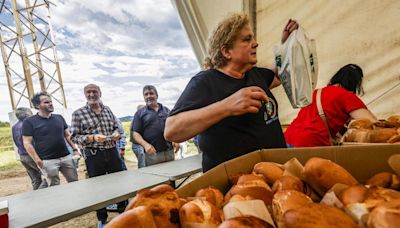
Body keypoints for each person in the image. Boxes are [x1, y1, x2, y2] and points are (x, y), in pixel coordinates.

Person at [164, 13, 298, 172]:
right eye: (247, 39)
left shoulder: (255, 74)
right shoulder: (206, 82)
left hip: (274, 174)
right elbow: (171, 131)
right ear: (227, 51)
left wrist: (285, 44)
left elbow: (280, 74)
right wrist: (227, 106)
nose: (256, 43)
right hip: (235, 185)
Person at [70, 83, 127, 227]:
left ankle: (123, 211)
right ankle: (102, 218)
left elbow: (116, 128)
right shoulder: (78, 113)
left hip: (112, 151)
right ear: (85, 95)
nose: (91, 94)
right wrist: (92, 138)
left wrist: (116, 134)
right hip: (94, 155)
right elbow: (74, 137)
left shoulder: (107, 110)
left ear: (100, 93)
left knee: (119, 182)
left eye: (94, 91)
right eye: (88, 92)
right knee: (97, 188)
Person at [284, 64, 377, 147]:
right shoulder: (347, 96)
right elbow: (371, 123)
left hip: (287, 139)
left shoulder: (315, 93)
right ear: (356, 84)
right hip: (310, 144)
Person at [22, 92, 78, 187]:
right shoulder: (29, 122)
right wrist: (38, 161)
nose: (50, 104)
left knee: (74, 182)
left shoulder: (59, 118)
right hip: (47, 161)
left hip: (66, 157)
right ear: (37, 105)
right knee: (53, 186)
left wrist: (75, 149)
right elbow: (27, 143)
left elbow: (68, 136)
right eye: (46, 102)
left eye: (51, 101)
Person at [132, 85, 179, 166]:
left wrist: (176, 140)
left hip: (169, 151)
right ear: (144, 97)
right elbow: (135, 133)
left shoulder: (167, 110)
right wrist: (145, 145)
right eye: (146, 94)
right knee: (156, 178)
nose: (148, 96)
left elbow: (173, 126)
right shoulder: (139, 113)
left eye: (151, 93)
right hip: (152, 153)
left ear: (157, 96)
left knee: (172, 175)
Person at [12, 107, 47, 190]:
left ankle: (35, 199)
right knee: (48, 178)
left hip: (22, 156)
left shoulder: (14, 126)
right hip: (32, 155)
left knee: (35, 180)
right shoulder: (28, 124)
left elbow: (15, 140)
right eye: (30, 112)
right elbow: (33, 142)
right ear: (27, 114)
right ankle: (39, 194)